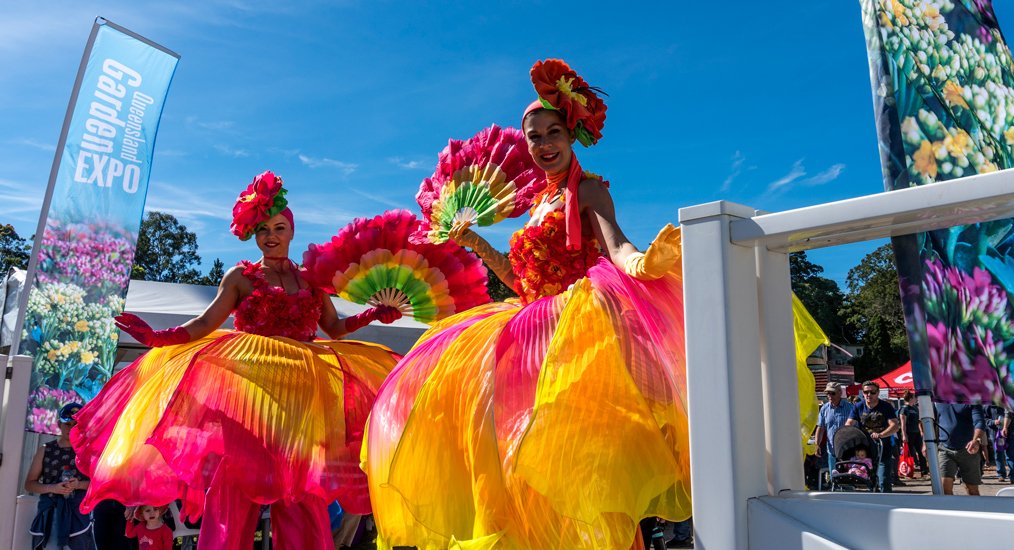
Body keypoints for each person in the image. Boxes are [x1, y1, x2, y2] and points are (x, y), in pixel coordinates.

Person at [364, 59, 689, 549]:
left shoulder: (590, 190)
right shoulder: (539, 201)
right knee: (514, 461)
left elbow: (618, 248)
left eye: (552, 132)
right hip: (529, 332)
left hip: (578, 335)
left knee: (579, 465)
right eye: (534, 137)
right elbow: (521, 280)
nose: (543, 145)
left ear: (571, 134)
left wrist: (645, 264)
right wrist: (475, 243)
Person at [71, 172, 402, 550]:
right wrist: (157, 338)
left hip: (298, 401)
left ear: (292, 231)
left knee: (299, 495)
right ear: (254, 235)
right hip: (248, 396)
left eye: (279, 227)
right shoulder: (240, 277)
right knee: (234, 492)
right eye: (262, 229)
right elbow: (205, 322)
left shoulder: (314, 280)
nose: (271, 236)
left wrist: (372, 315)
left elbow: (335, 328)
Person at [25, 402, 94, 550]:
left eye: (75, 425)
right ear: (59, 424)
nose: (71, 428)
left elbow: (97, 483)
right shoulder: (45, 450)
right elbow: (29, 484)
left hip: (77, 516)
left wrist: (78, 485)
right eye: (67, 424)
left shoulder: (86, 452)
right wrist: (53, 488)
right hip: (50, 515)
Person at [845, 381, 899, 492]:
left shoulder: (886, 407)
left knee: (884, 479)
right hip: (865, 451)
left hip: (883, 448)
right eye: (866, 392)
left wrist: (881, 435)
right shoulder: (858, 406)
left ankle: (888, 503)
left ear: (878, 393)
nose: (868, 395)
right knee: (868, 480)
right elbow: (849, 424)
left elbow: (895, 425)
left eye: (872, 392)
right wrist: (848, 433)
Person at [933, 403, 984, 496]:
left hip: (968, 449)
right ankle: (951, 510)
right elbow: (930, 422)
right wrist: (926, 444)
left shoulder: (971, 401)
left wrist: (975, 440)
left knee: (972, 490)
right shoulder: (938, 401)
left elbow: (979, 422)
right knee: (944, 489)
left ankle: (975, 509)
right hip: (945, 448)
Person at [815, 382, 855, 474]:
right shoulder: (824, 409)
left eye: (832, 393)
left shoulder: (850, 408)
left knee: (848, 479)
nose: (829, 396)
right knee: (834, 478)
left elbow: (856, 428)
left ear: (840, 393)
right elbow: (820, 428)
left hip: (847, 450)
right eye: (827, 393)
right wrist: (817, 445)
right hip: (832, 450)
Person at [898, 392, 928, 477]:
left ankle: (924, 470)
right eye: (915, 397)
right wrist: (904, 435)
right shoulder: (904, 409)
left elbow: (918, 421)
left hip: (916, 433)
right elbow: (903, 423)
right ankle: (909, 470)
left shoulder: (915, 408)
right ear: (911, 398)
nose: (916, 399)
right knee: (910, 452)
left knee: (920, 451)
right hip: (908, 433)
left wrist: (921, 431)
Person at [987, 406, 1014, 484]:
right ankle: (1001, 474)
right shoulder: (988, 406)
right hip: (996, 434)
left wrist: (1007, 424)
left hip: (1008, 433)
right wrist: (993, 422)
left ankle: (1013, 476)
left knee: (1010, 455)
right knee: (998, 454)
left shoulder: (1007, 404)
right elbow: (984, 419)